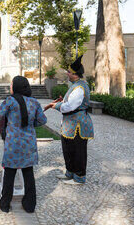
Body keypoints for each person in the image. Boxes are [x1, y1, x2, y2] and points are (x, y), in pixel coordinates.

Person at [0, 76, 47, 213]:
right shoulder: (34, 102)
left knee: (9, 174)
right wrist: (30, 124)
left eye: (11, 84)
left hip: (13, 144)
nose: (10, 87)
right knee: (28, 174)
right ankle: (29, 205)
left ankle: (4, 204)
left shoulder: (10, 101)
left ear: (16, 87)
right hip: (29, 143)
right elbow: (42, 120)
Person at [45, 55, 94, 185]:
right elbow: (69, 103)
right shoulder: (74, 85)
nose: (67, 73)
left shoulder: (80, 87)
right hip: (69, 124)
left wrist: (56, 106)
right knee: (68, 149)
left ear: (75, 74)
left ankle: (79, 177)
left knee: (78, 150)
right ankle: (70, 172)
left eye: (69, 72)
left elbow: (70, 106)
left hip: (78, 124)